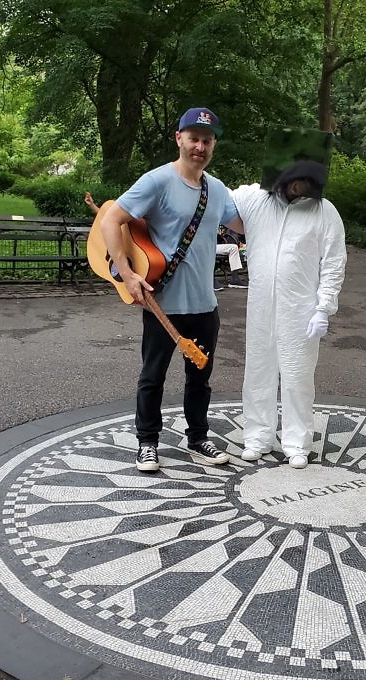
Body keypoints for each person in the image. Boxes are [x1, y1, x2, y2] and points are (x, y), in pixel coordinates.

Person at [99, 107, 240, 473]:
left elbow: (242, 223)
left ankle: (198, 438)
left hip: (205, 304)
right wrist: (128, 274)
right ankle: (147, 442)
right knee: (153, 376)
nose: (200, 146)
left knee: (201, 378)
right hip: (163, 303)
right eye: (193, 138)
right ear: (179, 139)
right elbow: (112, 218)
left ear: (213, 145)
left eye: (207, 140)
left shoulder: (218, 189)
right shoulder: (158, 181)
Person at [232, 159, 347, 469]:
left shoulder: (324, 211)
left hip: (301, 308)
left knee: (297, 376)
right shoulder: (256, 200)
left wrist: (323, 307)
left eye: (306, 181)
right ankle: (258, 436)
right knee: (258, 371)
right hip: (260, 305)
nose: (299, 187)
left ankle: (296, 441)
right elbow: (218, 198)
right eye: (294, 180)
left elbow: (334, 262)